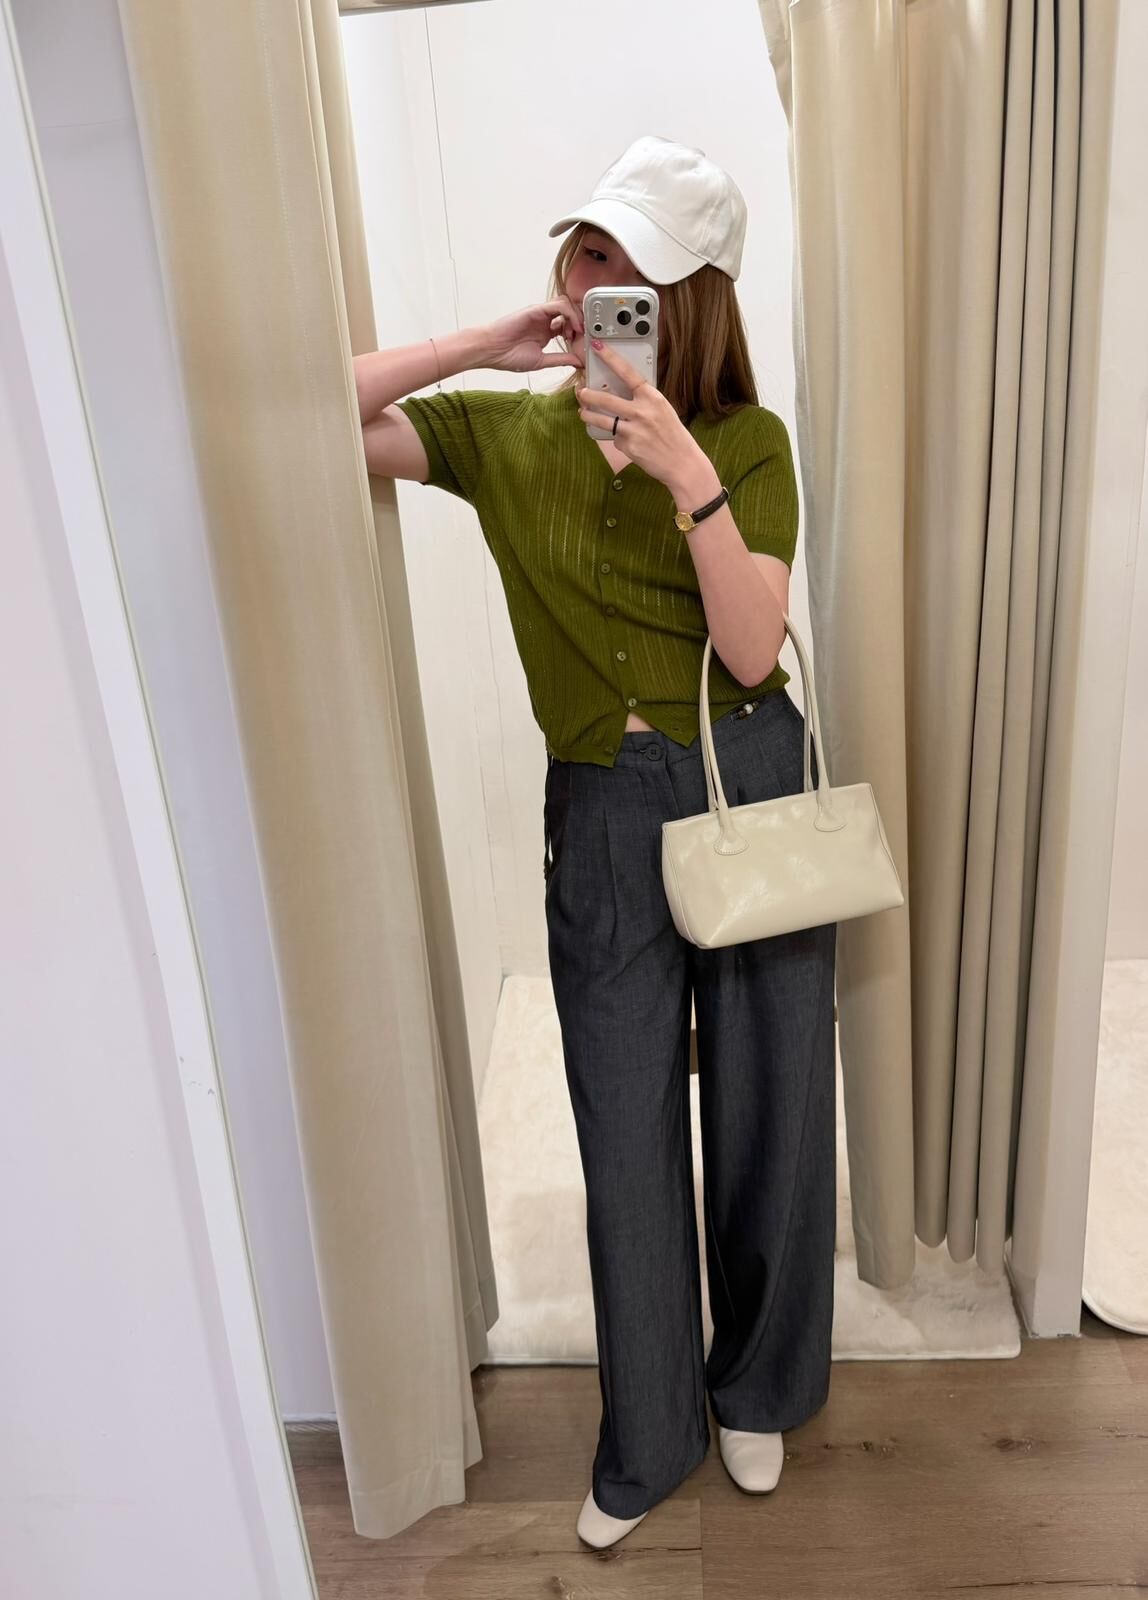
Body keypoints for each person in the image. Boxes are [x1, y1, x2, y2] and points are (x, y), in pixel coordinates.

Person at [353, 135, 837, 1551]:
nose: (592, 282)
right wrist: (484, 346)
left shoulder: (748, 443)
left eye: (628, 267)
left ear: (691, 301)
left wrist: (687, 473)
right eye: (585, 253)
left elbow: (751, 649)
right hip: (606, 803)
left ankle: (757, 1389)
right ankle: (649, 1434)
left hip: (750, 778)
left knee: (770, 1105)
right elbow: (314, 412)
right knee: (624, 1127)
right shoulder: (504, 438)